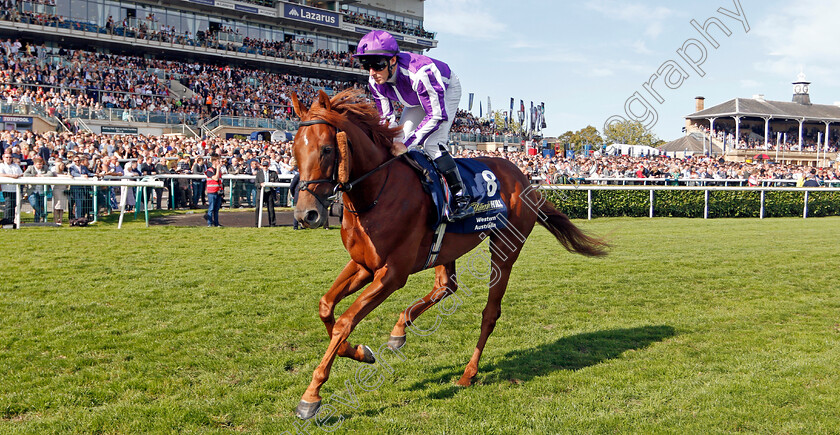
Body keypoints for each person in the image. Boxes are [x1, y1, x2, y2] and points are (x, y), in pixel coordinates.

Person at [353, 30, 474, 221]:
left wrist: (407, 144)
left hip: (445, 89)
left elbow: (437, 114)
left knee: (432, 144)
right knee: (396, 140)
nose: (372, 72)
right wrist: (396, 141)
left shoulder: (420, 73)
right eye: (366, 65)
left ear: (393, 60)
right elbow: (387, 117)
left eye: (377, 65)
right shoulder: (374, 81)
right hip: (415, 99)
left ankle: (461, 198)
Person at [23, 157, 55, 222]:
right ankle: (42, 213)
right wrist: (35, 176)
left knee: (41, 205)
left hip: (42, 190)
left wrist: (42, 176)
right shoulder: (30, 168)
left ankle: (37, 221)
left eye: (41, 164)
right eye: (38, 164)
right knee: (34, 204)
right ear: (34, 164)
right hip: (32, 190)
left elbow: (50, 174)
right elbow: (25, 174)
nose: (40, 166)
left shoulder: (45, 167)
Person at [255, 158, 279, 227]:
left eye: (266, 166)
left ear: (268, 166)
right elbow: (256, 184)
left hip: (269, 193)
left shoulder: (273, 173)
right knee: (258, 208)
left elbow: (277, 182)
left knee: (271, 208)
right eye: (264, 166)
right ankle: (257, 223)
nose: (265, 167)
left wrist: (272, 185)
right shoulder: (259, 174)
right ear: (262, 166)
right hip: (261, 193)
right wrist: (260, 184)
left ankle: (272, 223)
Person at [0, 151, 23, 221]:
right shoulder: (1, 165)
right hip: (6, 188)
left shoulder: (15, 165)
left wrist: (17, 176)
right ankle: (6, 220)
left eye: (10, 157)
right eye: (7, 157)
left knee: (14, 205)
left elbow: (21, 173)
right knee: (9, 205)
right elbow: (1, 174)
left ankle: (11, 221)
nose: (8, 159)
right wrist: (12, 176)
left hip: (16, 189)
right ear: (3, 158)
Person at [204, 155, 223, 227]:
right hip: (211, 192)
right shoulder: (209, 171)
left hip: (218, 192)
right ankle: (209, 223)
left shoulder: (219, 171)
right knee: (211, 208)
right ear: (214, 162)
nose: (220, 163)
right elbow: (215, 178)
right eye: (218, 161)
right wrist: (218, 169)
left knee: (216, 209)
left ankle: (216, 223)